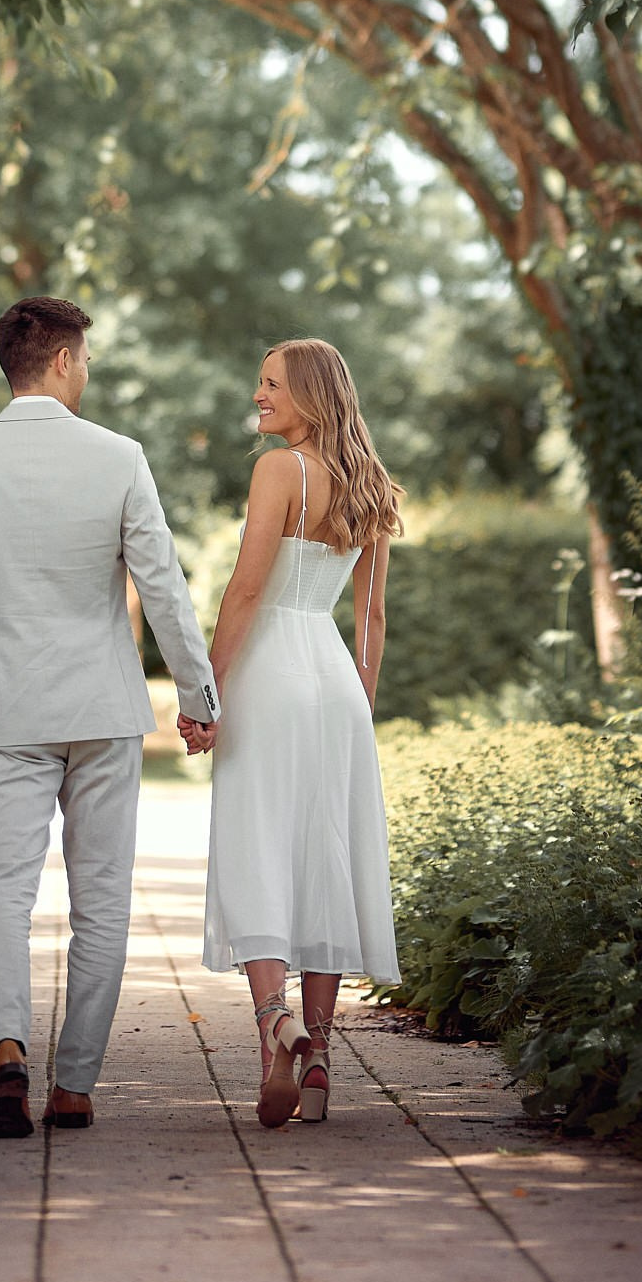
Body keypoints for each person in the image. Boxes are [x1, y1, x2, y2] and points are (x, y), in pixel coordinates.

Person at [0, 297, 219, 1139]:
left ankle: (7, 1050)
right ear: (58, 362)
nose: (86, 372)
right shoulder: (118, 457)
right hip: (100, 707)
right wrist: (197, 699)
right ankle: (74, 1084)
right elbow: (163, 587)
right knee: (101, 898)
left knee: (3, 890)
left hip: (2, 707)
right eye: (82, 359)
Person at [186, 338, 401, 1129]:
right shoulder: (371, 482)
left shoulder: (280, 470)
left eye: (271, 384)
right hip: (336, 684)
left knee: (258, 845)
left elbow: (246, 589)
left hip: (271, 674)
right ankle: (318, 1060)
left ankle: (275, 1019)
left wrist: (204, 688)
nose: (257, 395)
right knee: (323, 855)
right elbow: (370, 619)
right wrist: (358, 705)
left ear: (309, 393)